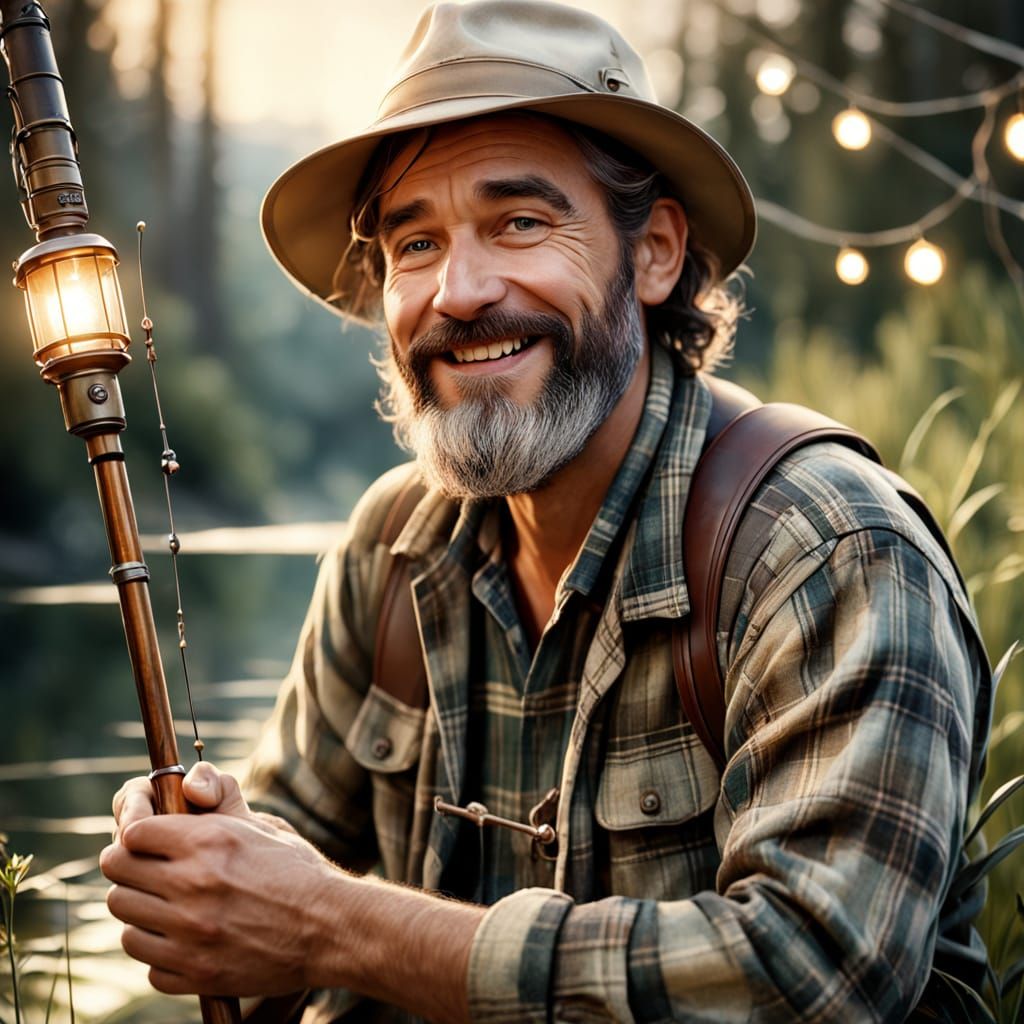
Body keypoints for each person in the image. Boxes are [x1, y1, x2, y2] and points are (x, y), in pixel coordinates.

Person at [99, 2, 993, 1021]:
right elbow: (285, 878)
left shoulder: (825, 548)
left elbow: (809, 978)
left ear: (654, 252)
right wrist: (206, 871)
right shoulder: (387, 550)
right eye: (417, 242)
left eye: (519, 222)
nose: (460, 292)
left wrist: (330, 924)